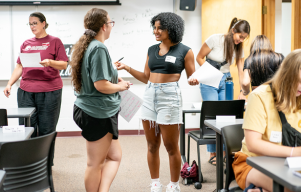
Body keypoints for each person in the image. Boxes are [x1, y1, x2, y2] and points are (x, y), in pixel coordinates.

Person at [116, 12, 198, 192]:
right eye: (154, 27)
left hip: (170, 97)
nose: (156, 31)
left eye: (160, 27)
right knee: (152, 144)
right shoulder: (152, 50)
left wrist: (193, 80)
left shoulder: (185, 51)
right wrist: (127, 67)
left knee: (171, 146)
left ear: (172, 29)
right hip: (149, 95)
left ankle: (174, 185)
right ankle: (155, 183)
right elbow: (146, 77)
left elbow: (193, 77)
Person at [70, 8, 130, 192]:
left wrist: (114, 78)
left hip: (99, 110)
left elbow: (98, 78)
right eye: (111, 23)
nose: (112, 26)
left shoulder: (90, 46)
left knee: (114, 156)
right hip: (96, 112)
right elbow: (100, 85)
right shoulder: (98, 47)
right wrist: (121, 86)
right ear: (104, 26)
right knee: (94, 163)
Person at [232, 49, 301, 192]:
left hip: (288, 164)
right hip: (252, 163)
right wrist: (294, 152)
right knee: (289, 188)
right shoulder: (259, 96)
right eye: (298, 81)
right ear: (285, 74)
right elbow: (253, 144)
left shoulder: (299, 97)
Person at [3, 12, 68, 138]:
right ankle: (29, 158)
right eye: (30, 24)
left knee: (46, 129)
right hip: (26, 92)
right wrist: (9, 84)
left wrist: (50, 62)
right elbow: (19, 66)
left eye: (35, 23)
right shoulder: (26, 43)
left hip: (49, 91)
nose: (32, 26)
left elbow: (64, 64)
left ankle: (46, 158)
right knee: (27, 129)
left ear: (43, 23)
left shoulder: (55, 41)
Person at [196, 17, 250, 165]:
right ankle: (213, 154)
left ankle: (226, 152)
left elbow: (240, 70)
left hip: (226, 80)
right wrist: (209, 73)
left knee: (226, 115)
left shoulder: (239, 47)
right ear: (233, 30)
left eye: (244, 38)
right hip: (209, 78)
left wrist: (242, 91)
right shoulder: (215, 39)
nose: (241, 40)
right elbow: (199, 57)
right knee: (212, 115)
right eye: (240, 36)